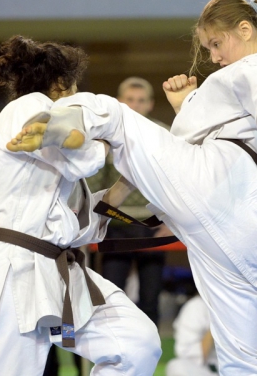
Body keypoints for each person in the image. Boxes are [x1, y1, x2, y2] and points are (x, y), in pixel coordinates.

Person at [8, 0, 257, 375]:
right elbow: (226, 131)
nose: (214, 57)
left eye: (216, 44)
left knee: (118, 116)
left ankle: (62, 121)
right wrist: (188, 107)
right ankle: (85, 185)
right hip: (247, 225)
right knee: (242, 357)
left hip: (224, 185)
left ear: (244, 29)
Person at [0, 36, 161, 375]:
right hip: (14, 269)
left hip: (56, 269)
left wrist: (129, 179)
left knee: (136, 343)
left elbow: (80, 221)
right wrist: (109, 140)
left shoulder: (57, 160)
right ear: (60, 83)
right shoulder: (27, 107)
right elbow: (82, 160)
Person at [87, 76, 170, 326]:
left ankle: (151, 349)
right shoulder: (106, 137)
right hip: (115, 226)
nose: (135, 105)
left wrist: (173, 222)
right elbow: (93, 183)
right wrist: (93, 222)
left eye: (141, 100)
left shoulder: (164, 135)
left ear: (151, 104)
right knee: (111, 297)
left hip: (154, 225)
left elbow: (176, 184)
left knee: (151, 298)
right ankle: (114, 348)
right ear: (119, 102)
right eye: (130, 99)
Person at [166, 293, 218, 376]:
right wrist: (217, 326)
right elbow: (188, 356)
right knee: (177, 366)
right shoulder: (196, 307)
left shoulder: (239, 304)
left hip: (237, 369)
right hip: (208, 370)